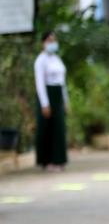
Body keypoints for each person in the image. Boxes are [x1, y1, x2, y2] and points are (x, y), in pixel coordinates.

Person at [33, 31, 68, 171]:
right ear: (43, 43)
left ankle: (59, 159)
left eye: (54, 40)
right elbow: (40, 83)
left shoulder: (57, 59)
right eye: (49, 40)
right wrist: (45, 104)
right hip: (47, 95)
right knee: (47, 128)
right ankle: (47, 161)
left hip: (58, 95)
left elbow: (63, 83)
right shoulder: (40, 60)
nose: (52, 43)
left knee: (59, 128)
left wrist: (65, 101)